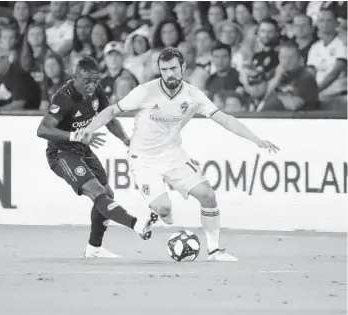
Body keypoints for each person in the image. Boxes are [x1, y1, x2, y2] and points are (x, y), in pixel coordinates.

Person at [81, 47, 279, 262]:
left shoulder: (193, 95)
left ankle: (214, 250)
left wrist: (256, 139)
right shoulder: (145, 91)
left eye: (174, 68)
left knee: (207, 195)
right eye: (164, 69)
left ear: (183, 67)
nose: (169, 74)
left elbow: (224, 119)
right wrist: (90, 128)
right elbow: (111, 111)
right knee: (164, 208)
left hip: (173, 154)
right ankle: (161, 212)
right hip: (143, 159)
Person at [36, 56, 157, 258]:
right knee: (97, 191)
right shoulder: (64, 97)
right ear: (75, 77)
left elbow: (108, 119)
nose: (92, 85)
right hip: (61, 153)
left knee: (107, 194)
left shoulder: (96, 91)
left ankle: (94, 248)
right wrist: (75, 136)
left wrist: (126, 140)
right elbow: (42, 129)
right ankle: (137, 225)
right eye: (87, 81)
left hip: (81, 149)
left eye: (95, 80)